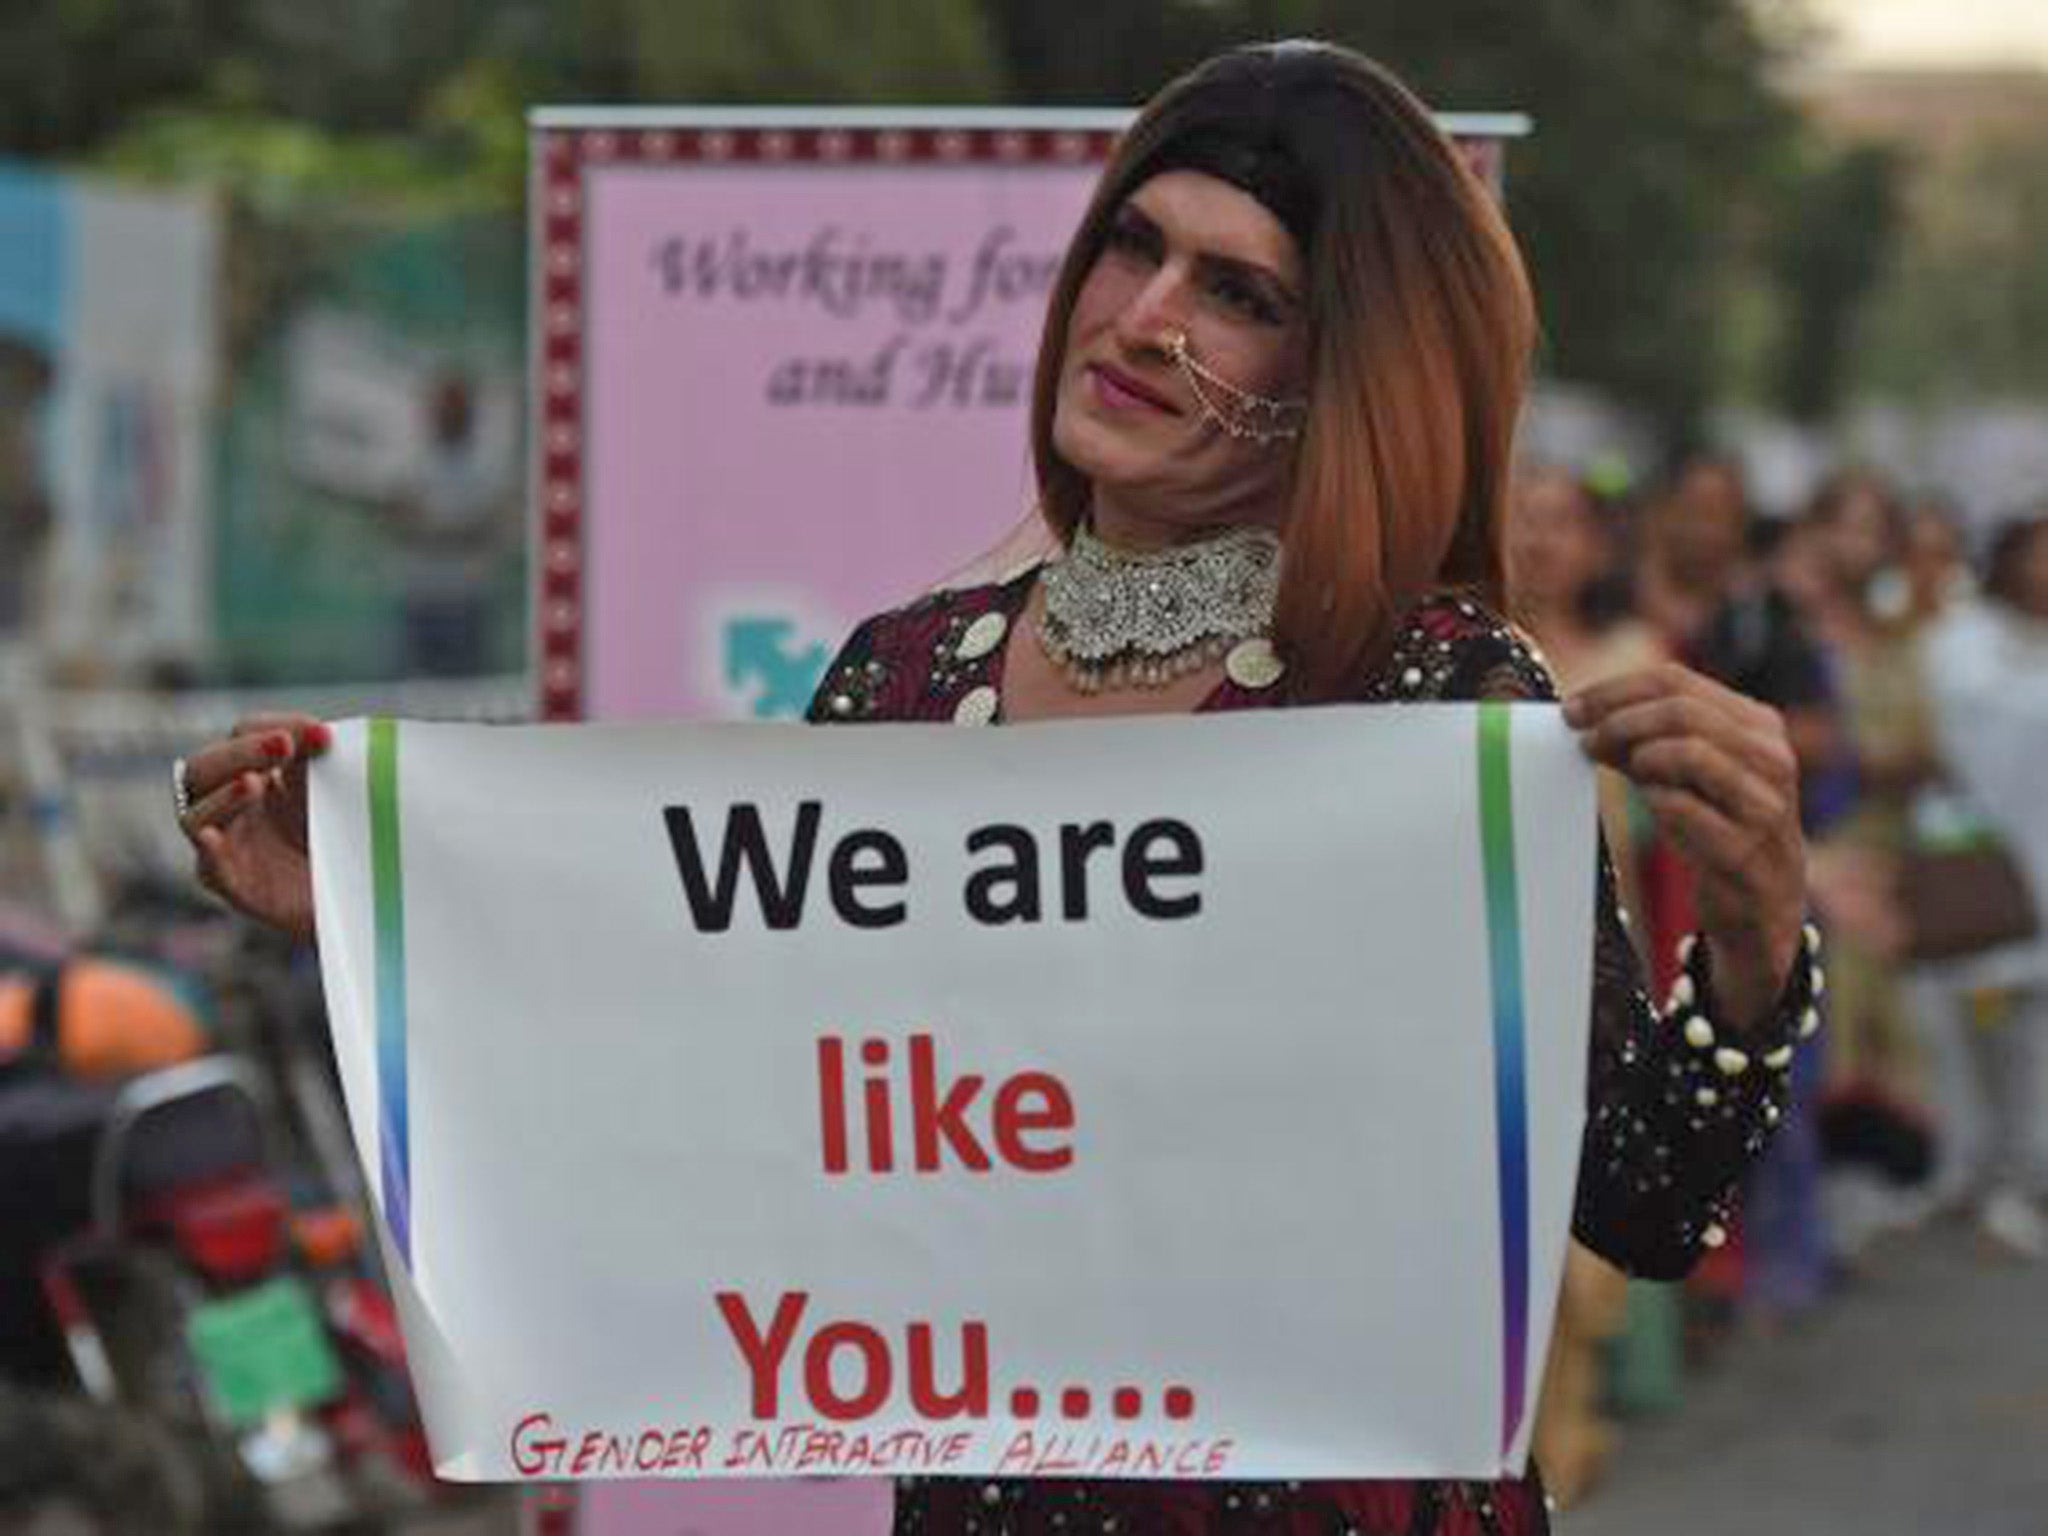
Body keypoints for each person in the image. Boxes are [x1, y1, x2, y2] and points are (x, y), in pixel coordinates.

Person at [173, 43, 1817, 1535]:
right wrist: (380, 917)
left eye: (1238, 290)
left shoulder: (1426, 704)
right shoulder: (903, 680)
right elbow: (716, 1100)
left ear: (1346, 371)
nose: (1145, 317)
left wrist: (1751, 935)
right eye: (1132, 244)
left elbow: (1646, 1201)